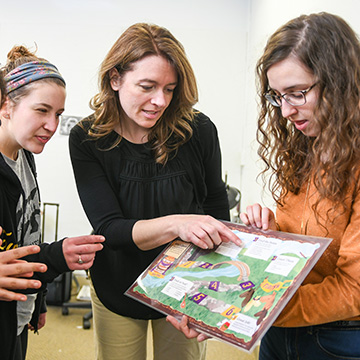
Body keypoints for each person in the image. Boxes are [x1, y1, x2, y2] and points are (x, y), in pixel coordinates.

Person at [69, 23, 241, 360]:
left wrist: (215, 281)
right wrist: (178, 223)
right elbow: (111, 230)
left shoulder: (199, 130)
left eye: (170, 89)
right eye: (147, 86)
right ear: (115, 78)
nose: (159, 101)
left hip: (187, 286)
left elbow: (216, 204)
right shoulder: (88, 138)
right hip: (117, 283)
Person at [239, 12, 360, 360]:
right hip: (281, 330)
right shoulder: (305, 145)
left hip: (337, 341)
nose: (284, 112)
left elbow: (353, 288)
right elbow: (306, 247)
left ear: (339, 82)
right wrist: (271, 230)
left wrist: (248, 309)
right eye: (278, 96)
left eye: (296, 93)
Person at [0, 45, 105, 360]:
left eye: (57, 114)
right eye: (41, 110)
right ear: (6, 105)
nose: (52, 125)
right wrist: (60, 254)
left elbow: (24, 239)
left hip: (17, 313)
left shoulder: (24, 155)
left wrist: (38, 298)